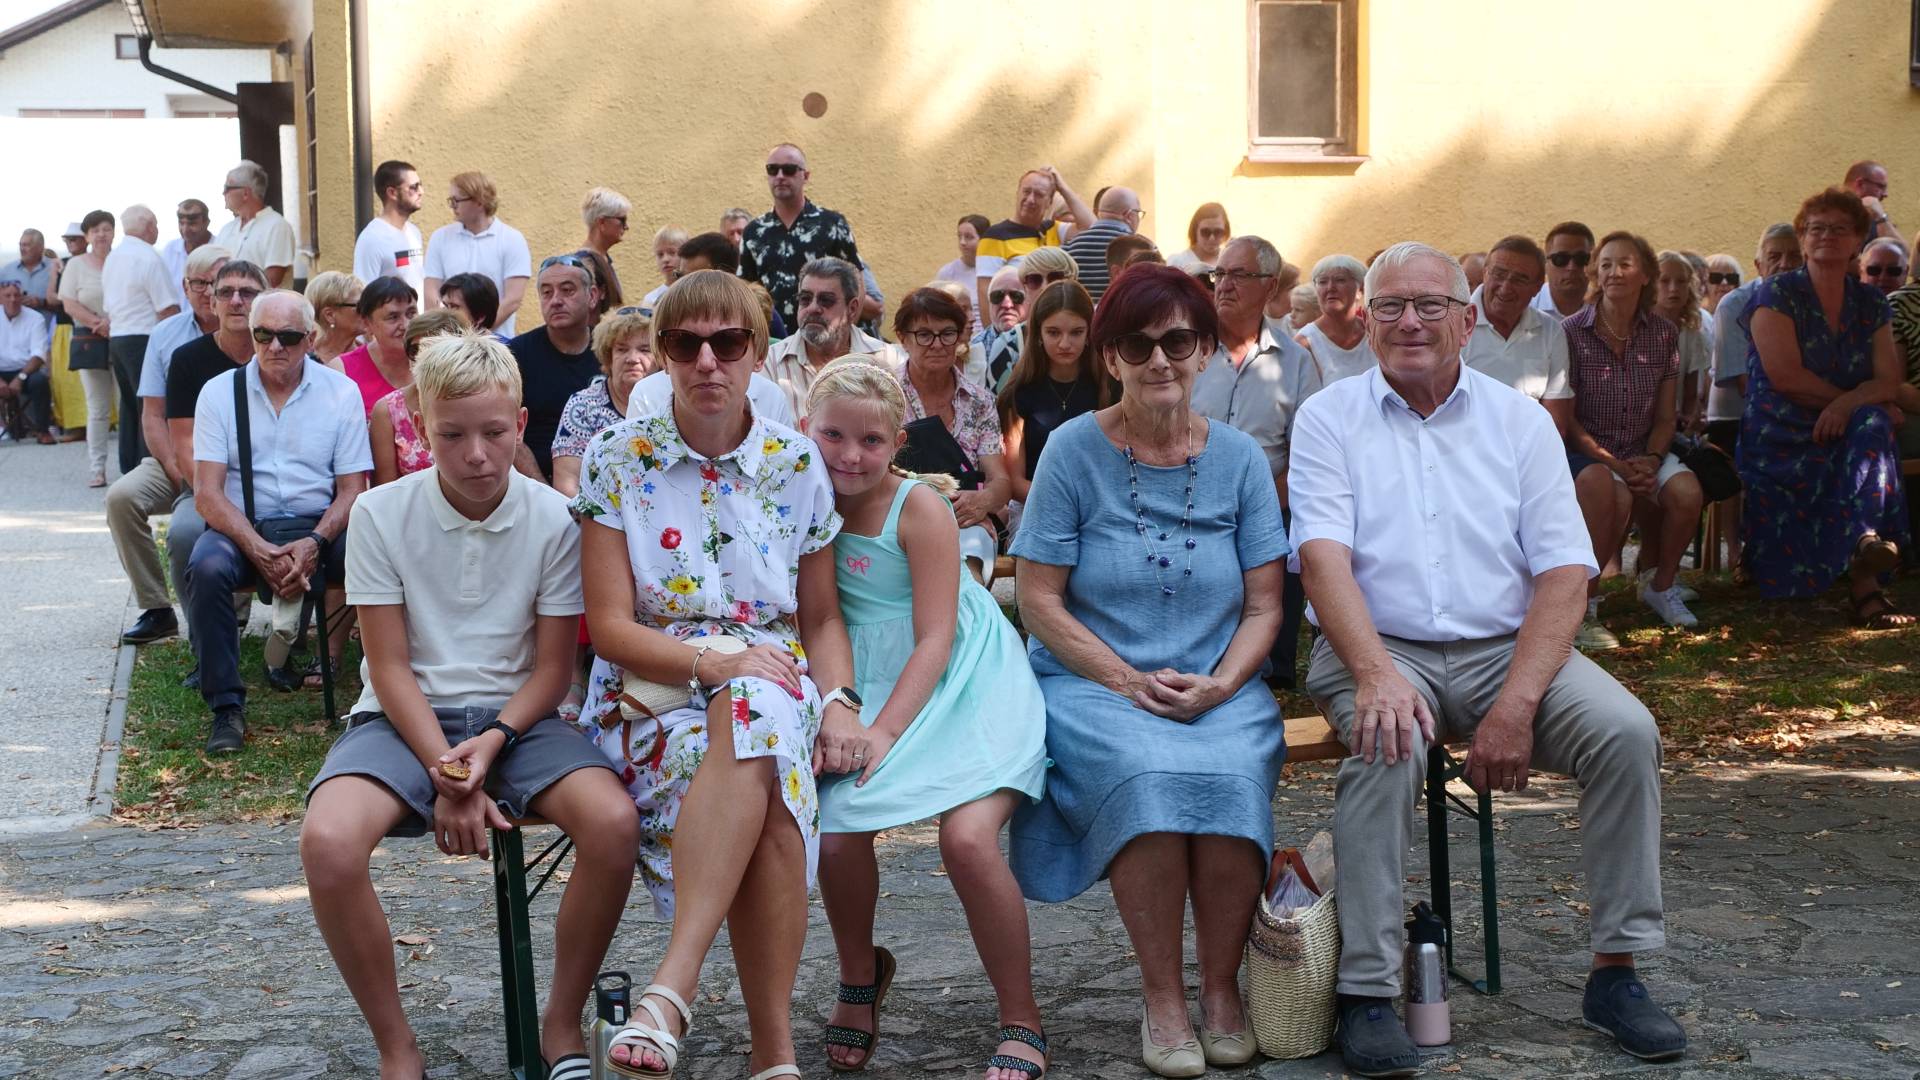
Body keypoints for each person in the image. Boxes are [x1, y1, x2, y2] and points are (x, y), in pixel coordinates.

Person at [1289, 241, 1684, 1078]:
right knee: (1388, 738)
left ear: (1466, 322)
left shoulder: (1518, 421)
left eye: (1430, 305)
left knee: (1625, 732)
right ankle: (1367, 991)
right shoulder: (1329, 417)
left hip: (1510, 646)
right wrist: (1375, 674)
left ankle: (1617, 972)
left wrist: (1515, 705)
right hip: (1378, 645)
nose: (1410, 322)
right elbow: (1322, 562)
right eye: (1391, 305)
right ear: (1368, 320)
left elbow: (1564, 574)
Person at [300, 331, 639, 1080]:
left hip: (521, 717)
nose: (476, 455)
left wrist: (487, 747)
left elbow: (552, 671)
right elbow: (389, 667)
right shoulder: (380, 513)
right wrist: (448, 771)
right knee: (327, 842)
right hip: (401, 718)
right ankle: (397, 1047)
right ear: (421, 429)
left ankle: (560, 1023)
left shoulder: (557, 518)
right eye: (451, 435)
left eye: (493, 433)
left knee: (614, 824)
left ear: (521, 424)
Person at [568, 268, 854, 1080]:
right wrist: (715, 662)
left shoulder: (795, 461)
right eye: (684, 344)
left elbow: (821, 617)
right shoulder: (617, 457)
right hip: (654, 691)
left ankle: (671, 991)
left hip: (771, 678)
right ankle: (774, 1054)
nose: (706, 362)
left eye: (727, 343)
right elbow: (612, 628)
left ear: (757, 353)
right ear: (660, 355)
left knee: (759, 706)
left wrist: (839, 702)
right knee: (770, 793)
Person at [1008, 264, 1285, 1079]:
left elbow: (1266, 606)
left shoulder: (1239, 459)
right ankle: (1164, 998)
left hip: (1217, 682)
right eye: (1137, 344)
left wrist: (1223, 685)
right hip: (1094, 682)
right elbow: (1039, 600)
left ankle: (1222, 991)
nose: (1159, 359)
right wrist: (1127, 681)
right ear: (1111, 357)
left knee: (1233, 775)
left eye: (1177, 341)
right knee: (1148, 777)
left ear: (1204, 351)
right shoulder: (1072, 451)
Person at [805, 357, 1051, 1079]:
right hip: (859, 676)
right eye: (833, 436)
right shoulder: (803, 501)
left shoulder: (918, 509)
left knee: (968, 840)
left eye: (872, 441)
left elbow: (938, 639)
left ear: (897, 444)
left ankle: (1022, 1016)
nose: (851, 456)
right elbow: (819, 617)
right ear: (806, 428)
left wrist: (883, 733)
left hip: (962, 675)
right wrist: (846, 711)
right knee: (837, 832)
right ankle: (859, 973)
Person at [183, 288, 371, 753]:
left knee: (378, 555)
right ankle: (226, 707)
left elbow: (353, 489)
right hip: (243, 526)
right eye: (263, 335)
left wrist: (315, 542)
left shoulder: (340, 392)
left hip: (321, 526)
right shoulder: (219, 393)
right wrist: (258, 548)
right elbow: (207, 494)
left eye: (287, 337)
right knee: (206, 567)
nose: (274, 346)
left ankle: (380, 693)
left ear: (311, 338)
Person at [1742, 188, 1917, 624]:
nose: (1826, 236)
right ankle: (1865, 555)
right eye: (1816, 228)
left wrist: (1851, 405)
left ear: (1858, 240)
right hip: (1782, 426)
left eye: (1840, 228)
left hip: (1848, 422)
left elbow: (1887, 379)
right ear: (1802, 239)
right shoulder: (1775, 294)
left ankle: (1864, 568)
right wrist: (1852, 404)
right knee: (1873, 421)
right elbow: (1785, 377)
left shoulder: (1871, 301)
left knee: (1872, 423)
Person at [1190, 236, 1321, 691]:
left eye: (1238, 275)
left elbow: (1305, 453)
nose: (1224, 285)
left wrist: (1259, 504)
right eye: (1220, 274)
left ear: (1270, 286)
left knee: (1286, 537)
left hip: (1269, 500)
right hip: (1185, 494)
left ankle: (1271, 672)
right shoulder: (1188, 349)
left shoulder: (1296, 362)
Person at [1564, 231, 1703, 638]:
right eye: (1606, 264)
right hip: (1589, 454)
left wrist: (1653, 460)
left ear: (1645, 275)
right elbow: (1569, 420)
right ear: (1596, 272)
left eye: (1625, 264)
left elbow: (1666, 416)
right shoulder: (1571, 332)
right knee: (1618, 495)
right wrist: (1614, 464)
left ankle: (1660, 586)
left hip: (1644, 452)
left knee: (1688, 493)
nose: (1614, 272)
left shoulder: (1663, 334)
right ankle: (1583, 604)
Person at [109, 244, 230, 646]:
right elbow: (152, 415)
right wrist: (177, 469)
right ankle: (157, 608)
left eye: (217, 282)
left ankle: (228, 611)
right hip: (174, 458)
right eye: (200, 283)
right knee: (122, 498)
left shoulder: (250, 331)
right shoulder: (165, 335)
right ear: (185, 287)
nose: (209, 291)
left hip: (229, 461)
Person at [164, 261, 269, 651]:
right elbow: (184, 445)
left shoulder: (283, 353)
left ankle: (293, 639)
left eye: (248, 292)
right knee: (184, 532)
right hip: (209, 484)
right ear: (212, 302)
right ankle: (204, 643)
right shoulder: (187, 360)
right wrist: (217, 499)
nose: (236, 301)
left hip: (274, 484)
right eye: (226, 292)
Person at [894, 288, 1012, 584]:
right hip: (896, 519)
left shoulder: (980, 402)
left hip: (965, 521)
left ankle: (967, 608)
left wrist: (981, 502)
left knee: (971, 557)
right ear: (902, 338)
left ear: (960, 337)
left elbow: (1000, 481)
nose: (937, 344)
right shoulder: (883, 396)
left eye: (947, 333)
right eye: (924, 334)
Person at [1708, 225, 1803, 577]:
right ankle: (1743, 552)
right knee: (1768, 444)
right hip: (1737, 414)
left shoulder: (1813, 302)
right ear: (1758, 265)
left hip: (1797, 407)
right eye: (1774, 256)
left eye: (1794, 256)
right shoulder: (1734, 305)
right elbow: (1744, 384)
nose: (1785, 264)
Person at [997, 280, 1107, 514]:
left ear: (1089, 332)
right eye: (1053, 332)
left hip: (1101, 507)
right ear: (1038, 333)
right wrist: (1067, 506)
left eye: (1076, 332)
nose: (1065, 343)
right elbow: (1015, 482)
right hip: (1034, 505)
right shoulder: (1018, 392)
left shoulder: (1108, 388)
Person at [740, 143, 865, 332]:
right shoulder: (753, 231)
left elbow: (857, 284)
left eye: (789, 170)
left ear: (805, 176)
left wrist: (844, 333)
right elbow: (744, 291)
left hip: (824, 335)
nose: (780, 176)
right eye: (772, 169)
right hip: (773, 340)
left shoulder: (832, 224)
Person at [1463, 235, 1574, 435]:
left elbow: (1555, 420)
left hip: (1527, 445)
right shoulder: (1454, 324)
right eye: (1499, 274)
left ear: (1537, 287)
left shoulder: (1550, 331)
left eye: (1520, 279)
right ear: (1485, 273)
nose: (1506, 287)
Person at [765, 257, 896, 422]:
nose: (813, 308)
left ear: (852, 309)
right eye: (805, 299)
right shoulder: (770, 363)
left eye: (826, 300)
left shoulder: (886, 360)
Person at [104, 205, 184, 475]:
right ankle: (150, 468)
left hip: (118, 338)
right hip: (144, 338)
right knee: (152, 407)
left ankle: (129, 467)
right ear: (149, 226)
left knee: (128, 405)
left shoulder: (113, 257)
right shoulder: (148, 257)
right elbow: (168, 308)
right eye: (156, 225)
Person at [511, 254, 602, 483]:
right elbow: (507, 432)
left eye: (567, 290)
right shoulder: (516, 354)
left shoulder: (610, 352)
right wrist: (544, 492)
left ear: (592, 296)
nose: (556, 301)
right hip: (534, 483)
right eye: (546, 292)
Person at [550, 307, 652, 497]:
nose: (632, 359)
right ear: (608, 356)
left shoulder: (673, 404)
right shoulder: (583, 407)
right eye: (622, 349)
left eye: (644, 350)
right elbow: (567, 485)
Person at [974, 168, 1093, 320]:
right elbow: (986, 294)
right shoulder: (995, 236)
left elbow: (1092, 228)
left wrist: (1063, 188)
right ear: (1017, 193)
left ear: (1050, 202)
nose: (1030, 199)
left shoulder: (1052, 229)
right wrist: (993, 332)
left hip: (1051, 323)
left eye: (1039, 194)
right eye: (1026, 191)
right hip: (1015, 327)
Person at [425, 170, 532, 335]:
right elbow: (431, 291)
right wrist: (447, 331)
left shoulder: (512, 239)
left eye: (456, 200)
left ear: (479, 202)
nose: (452, 206)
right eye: (451, 201)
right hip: (449, 341)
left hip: (495, 341)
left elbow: (513, 299)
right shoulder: (440, 237)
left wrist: (476, 333)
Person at [369, 310, 468, 486]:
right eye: (415, 350)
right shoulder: (388, 410)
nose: (422, 358)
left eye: (433, 350)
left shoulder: (478, 401)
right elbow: (385, 490)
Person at [57, 209, 117, 487]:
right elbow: (69, 303)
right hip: (91, 341)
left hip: (124, 337)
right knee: (98, 408)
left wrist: (114, 323)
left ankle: (135, 466)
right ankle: (97, 468)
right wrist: (98, 324)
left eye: (106, 229)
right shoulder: (76, 265)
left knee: (130, 405)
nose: (101, 235)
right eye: (95, 230)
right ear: (87, 236)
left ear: (114, 231)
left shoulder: (122, 260)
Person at [335, 276, 419, 415]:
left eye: (411, 314)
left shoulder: (437, 361)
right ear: (367, 323)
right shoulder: (342, 370)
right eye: (393, 317)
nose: (406, 325)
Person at [1296, 254, 1379, 384]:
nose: (1330, 288)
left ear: (1360, 289)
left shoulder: (1375, 333)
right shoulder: (1305, 343)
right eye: (1322, 282)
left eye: (1340, 280)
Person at [1655, 250, 1713, 433]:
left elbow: (1691, 394)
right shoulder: (1635, 329)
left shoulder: (1691, 333)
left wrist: (1689, 421)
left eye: (1681, 282)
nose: (1673, 288)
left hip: (1675, 427)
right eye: (1664, 281)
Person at [214, 160, 296, 287]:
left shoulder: (277, 226)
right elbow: (212, 272)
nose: (223, 193)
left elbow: (272, 280)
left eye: (227, 188)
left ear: (245, 193)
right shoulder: (226, 229)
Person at [353, 160, 427, 298]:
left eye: (420, 185)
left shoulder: (414, 232)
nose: (421, 192)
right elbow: (364, 295)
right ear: (392, 193)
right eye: (414, 187)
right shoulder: (371, 239)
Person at [1062, 187, 1142, 303]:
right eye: (1138, 213)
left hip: (1081, 313)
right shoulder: (1142, 249)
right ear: (1129, 215)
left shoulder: (1069, 248)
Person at [0, 280, 53, 442]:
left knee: (40, 382)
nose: (13, 300)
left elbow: (39, 354)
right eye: (7, 296)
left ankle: (43, 430)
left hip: (26, 370)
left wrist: (20, 378)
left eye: (16, 295)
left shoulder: (35, 318)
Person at [938, 214, 992, 338]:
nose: (962, 242)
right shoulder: (947, 273)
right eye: (959, 236)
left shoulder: (993, 270)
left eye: (969, 237)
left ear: (983, 240)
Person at [977, 264, 1029, 391]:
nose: (1007, 304)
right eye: (997, 296)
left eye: (1016, 296)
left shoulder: (1043, 342)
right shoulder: (974, 349)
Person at [580, 187, 631, 310]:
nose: (626, 227)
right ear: (602, 223)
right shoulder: (584, 264)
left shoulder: (602, 259)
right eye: (622, 220)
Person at [1533, 221, 1595, 318]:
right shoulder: (1523, 308)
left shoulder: (1607, 311)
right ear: (1545, 264)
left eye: (1581, 259)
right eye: (1560, 259)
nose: (1572, 267)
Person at [160, 199, 214, 309]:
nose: (185, 229)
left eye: (192, 224)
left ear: (206, 223)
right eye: (181, 223)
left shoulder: (219, 249)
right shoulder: (170, 249)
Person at [304, 271, 365, 364]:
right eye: (360, 306)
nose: (368, 310)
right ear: (330, 315)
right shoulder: (303, 360)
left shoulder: (374, 356)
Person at [1843, 159, 1904, 247]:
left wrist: (1881, 218)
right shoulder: (1829, 214)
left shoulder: (1877, 220)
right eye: (1881, 187)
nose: (1885, 194)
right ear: (1860, 184)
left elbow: (1901, 253)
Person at [1, 228, 57, 322]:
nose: (22, 249)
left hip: (48, 328)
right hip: (13, 327)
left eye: (26, 245)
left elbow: (67, 302)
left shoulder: (56, 269)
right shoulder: (6, 271)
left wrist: (42, 303)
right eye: (20, 245)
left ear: (40, 247)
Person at [1168, 202, 1230, 273]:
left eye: (1218, 232)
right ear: (1195, 230)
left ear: (1226, 231)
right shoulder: (1177, 262)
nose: (1211, 238)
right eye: (1205, 232)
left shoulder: (1231, 261)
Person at [639, 225, 687, 315]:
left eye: (672, 252)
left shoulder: (695, 292)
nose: (665, 259)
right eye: (660, 254)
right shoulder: (650, 300)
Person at [439, 272, 503, 336]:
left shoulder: (503, 343)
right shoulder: (435, 340)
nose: (444, 312)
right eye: (445, 305)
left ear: (479, 317)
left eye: (454, 307)